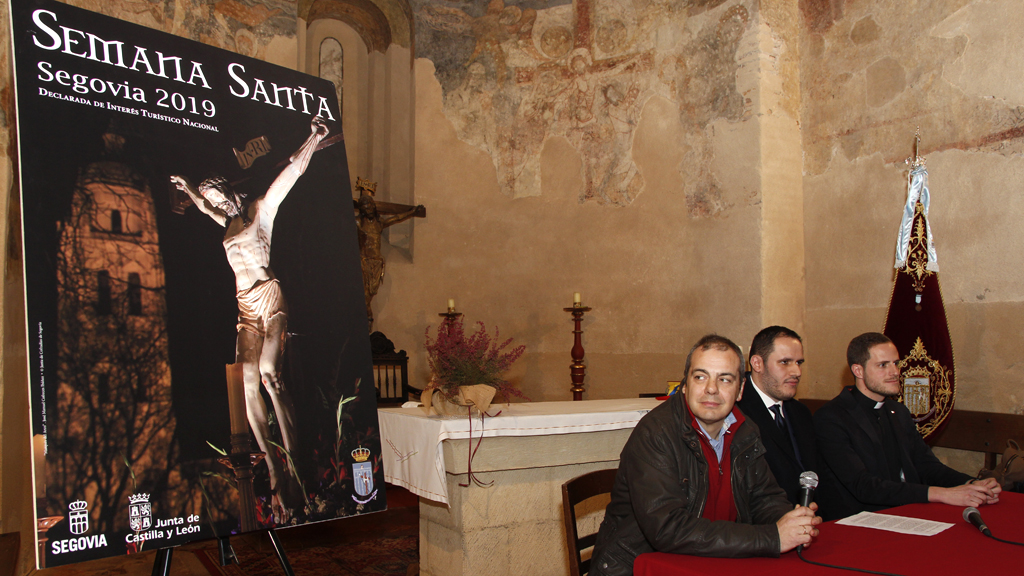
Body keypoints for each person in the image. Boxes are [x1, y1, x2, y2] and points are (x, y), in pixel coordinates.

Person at [170, 116, 329, 519]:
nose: (217, 203)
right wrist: (191, 190)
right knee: (245, 383)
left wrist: (314, 137)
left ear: (227, 190)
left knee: (270, 374)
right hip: (244, 309)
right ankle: (274, 468)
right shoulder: (224, 224)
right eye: (211, 199)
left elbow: (291, 173)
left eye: (217, 195)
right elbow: (206, 209)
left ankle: (294, 461)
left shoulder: (260, 211)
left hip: (270, 299)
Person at [590, 335, 821, 576]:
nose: (711, 389)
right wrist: (772, 537)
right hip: (641, 566)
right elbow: (668, 529)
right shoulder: (656, 433)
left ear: (740, 389)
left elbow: (764, 498)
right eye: (700, 377)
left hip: (715, 562)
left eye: (725, 379)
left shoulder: (745, 429)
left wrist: (791, 522)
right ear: (686, 385)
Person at [814, 332, 1001, 520]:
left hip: (908, 513)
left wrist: (972, 483)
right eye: (882, 365)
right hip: (859, 522)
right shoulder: (831, 418)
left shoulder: (898, 411)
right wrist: (942, 494)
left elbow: (926, 465)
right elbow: (863, 486)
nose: (894, 372)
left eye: (895, 363)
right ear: (858, 371)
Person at [737, 326, 818, 505]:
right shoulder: (736, 412)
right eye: (785, 362)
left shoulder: (801, 412)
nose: (797, 372)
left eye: (799, 362)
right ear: (757, 363)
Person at [353, 178, 424, 327]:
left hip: (377, 262)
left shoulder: (379, 224)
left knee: (371, 294)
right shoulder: (358, 223)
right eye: (365, 206)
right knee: (364, 296)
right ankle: (368, 322)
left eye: (371, 206)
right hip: (363, 261)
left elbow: (396, 217)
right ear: (362, 210)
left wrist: (412, 212)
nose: (369, 208)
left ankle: (367, 322)